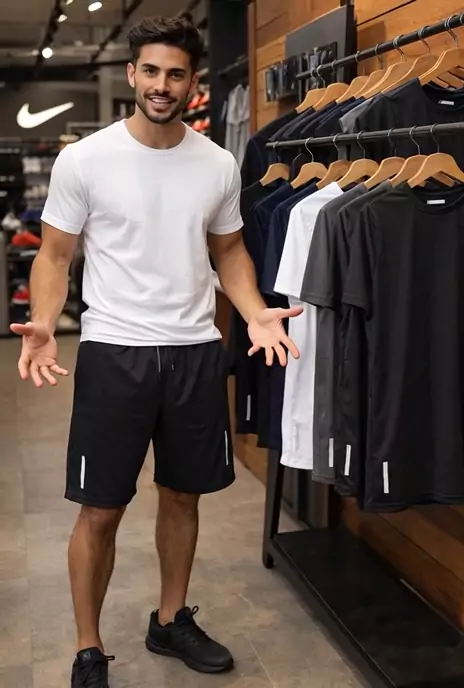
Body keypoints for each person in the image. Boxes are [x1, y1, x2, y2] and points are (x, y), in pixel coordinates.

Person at [11, 15, 302, 688]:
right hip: (116, 353)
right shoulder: (86, 160)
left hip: (195, 352)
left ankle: (170, 620)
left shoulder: (217, 163)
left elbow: (229, 250)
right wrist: (45, 320)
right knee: (100, 508)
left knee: (183, 496)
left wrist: (254, 310)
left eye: (175, 74)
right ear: (132, 74)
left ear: (193, 82)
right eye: (150, 71)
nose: (161, 85)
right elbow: (54, 254)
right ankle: (89, 647)